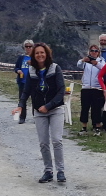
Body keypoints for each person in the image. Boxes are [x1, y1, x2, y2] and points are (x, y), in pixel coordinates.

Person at [12, 43, 66, 183]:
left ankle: (60, 171)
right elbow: (26, 91)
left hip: (56, 109)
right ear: (33, 56)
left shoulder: (55, 68)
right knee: (43, 143)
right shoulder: (31, 71)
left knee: (57, 140)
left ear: (47, 54)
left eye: (42, 52)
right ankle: (48, 171)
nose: (40, 55)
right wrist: (20, 106)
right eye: (37, 53)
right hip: (39, 111)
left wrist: (48, 106)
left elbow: (61, 91)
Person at [76, 43, 105, 135]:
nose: (94, 52)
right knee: (85, 108)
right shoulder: (86, 61)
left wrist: (96, 63)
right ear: (89, 52)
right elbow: (78, 65)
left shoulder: (101, 60)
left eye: (96, 51)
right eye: (92, 50)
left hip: (97, 87)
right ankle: (84, 127)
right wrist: (83, 60)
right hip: (86, 87)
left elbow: (104, 68)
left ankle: (97, 127)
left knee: (96, 108)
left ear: (98, 52)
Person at [13, 40, 33, 124]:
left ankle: (37, 117)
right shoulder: (21, 57)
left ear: (33, 47)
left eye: (30, 46)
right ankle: (22, 117)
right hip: (22, 82)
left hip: (33, 82)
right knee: (22, 100)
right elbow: (16, 68)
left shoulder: (35, 57)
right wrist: (18, 71)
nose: (28, 48)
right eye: (26, 46)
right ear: (24, 48)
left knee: (35, 100)